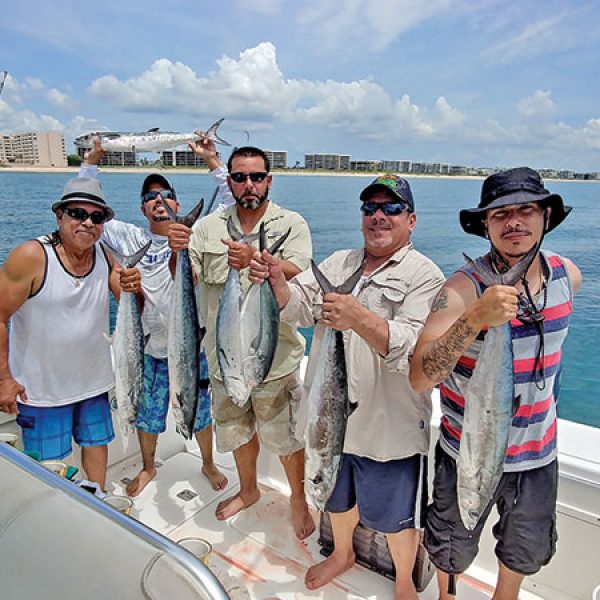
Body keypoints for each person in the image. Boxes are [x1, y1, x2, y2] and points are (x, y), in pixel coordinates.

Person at [250, 174, 445, 598]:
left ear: (410, 220)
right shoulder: (338, 263)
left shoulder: (425, 276)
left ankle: (406, 582)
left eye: (391, 208)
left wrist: (359, 318)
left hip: (388, 425)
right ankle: (342, 553)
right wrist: (277, 282)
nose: (379, 216)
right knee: (335, 499)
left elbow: (413, 346)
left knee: (398, 517)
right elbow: (298, 307)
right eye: (370, 208)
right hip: (329, 419)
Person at [409, 167, 582, 600]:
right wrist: (474, 320)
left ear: (545, 216)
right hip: (465, 452)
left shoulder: (568, 277)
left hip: (537, 455)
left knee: (525, 548)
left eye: (526, 210)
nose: (514, 222)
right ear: (485, 225)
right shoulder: (462, 289)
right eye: (501, 214)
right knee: (449, 545)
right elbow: (419, 377)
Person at [168, 146, 316, 540]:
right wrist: (177, 251)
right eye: (239, 177)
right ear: (229, 181)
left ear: (269, 179)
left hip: (274, 355)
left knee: (284, 436)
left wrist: (257, 258)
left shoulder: (292, 223)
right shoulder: (208, 228)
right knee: (236, 430)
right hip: (223, 360)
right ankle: (248, 489)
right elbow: (189, 277)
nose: (247, 185)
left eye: (255, 177)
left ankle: (298, 498)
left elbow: (298, 269)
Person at [80, 138, 231, 496]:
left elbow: (229, 201)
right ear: (143, 209)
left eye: (165, 194)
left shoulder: (198, 233)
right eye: (150, 197)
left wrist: (212, 159)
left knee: (200, 411)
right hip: (146, 346)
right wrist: (91, 162)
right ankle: (149, 467)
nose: (158, 200)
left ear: (177, 203)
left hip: (191, 344)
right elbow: (89, 210)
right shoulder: (130, 237)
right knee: (148, 412)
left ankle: (208, 462)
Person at [0, 177, 141, 490]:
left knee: (96, 446)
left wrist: (135, 286)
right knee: (50, 469)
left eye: (97, 217)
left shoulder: (106, 256)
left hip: (93, 383)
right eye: (78, 213)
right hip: (42, 391)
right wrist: (4, 379)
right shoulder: (32, 257)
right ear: (60, 216)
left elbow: (134, 307)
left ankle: (99, 500)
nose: (88, 223)